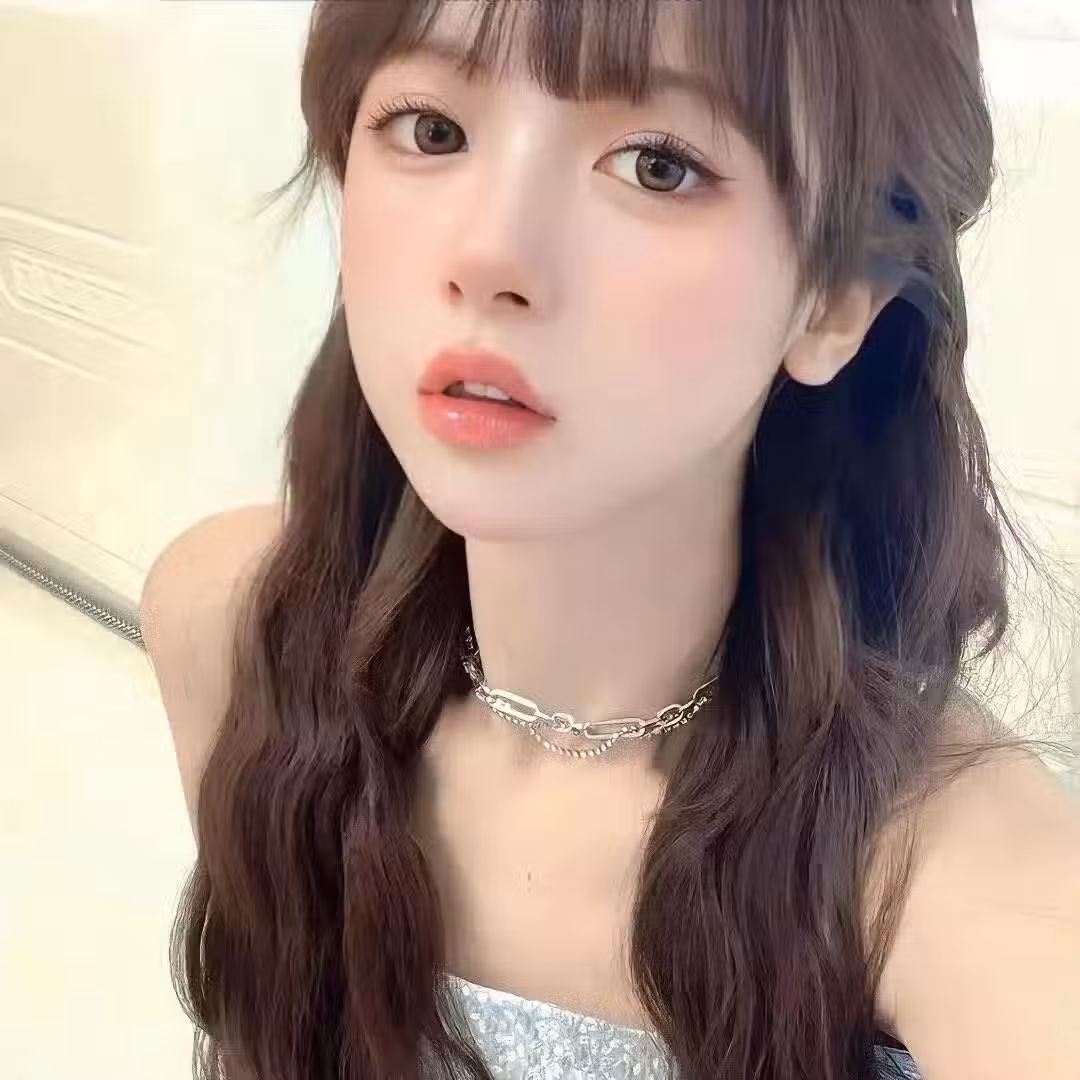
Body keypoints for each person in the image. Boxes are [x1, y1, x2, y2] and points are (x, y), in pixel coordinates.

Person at [139, 2, 1080, 1078]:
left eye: (657, 166)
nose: (490, 252)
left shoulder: (945, 872)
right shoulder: (236, 629)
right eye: (432, 129)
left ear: (836, 299)